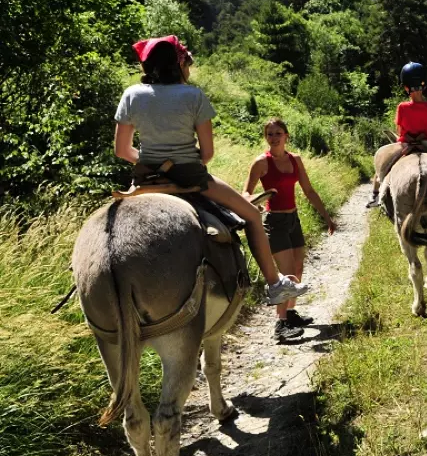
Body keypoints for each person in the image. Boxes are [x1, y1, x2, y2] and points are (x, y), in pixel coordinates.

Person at [114, 35, 309, 306]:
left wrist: (152, 162)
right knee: (253, 215)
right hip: (191, 177)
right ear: (178, 64)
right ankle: (275, 284)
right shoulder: (193, 95)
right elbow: (207, 154)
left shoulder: (132, 94)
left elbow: (122, 151)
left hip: (145, 179)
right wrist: (180, 164)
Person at [243, 118, 336, 342]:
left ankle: (291, 313)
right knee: (286, 274)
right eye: (270, 134)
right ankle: (280, 324)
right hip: (274, 222)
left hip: (293, 219)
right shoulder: (261, 163)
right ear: (266, 137)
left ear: (286, 136)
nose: (274, 138)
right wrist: (259, 200)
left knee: (298, 268)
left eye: (278, 133)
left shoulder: (295, 159)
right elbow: (246, 194)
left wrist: (327, 217)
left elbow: (308, 190)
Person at [367, 61, 427, 208]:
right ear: (424, 85)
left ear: (406, 87)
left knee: (383, 166)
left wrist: (410, 137)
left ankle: (375, 195)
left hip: (406, 145)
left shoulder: (402, 107)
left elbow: (400, 131)